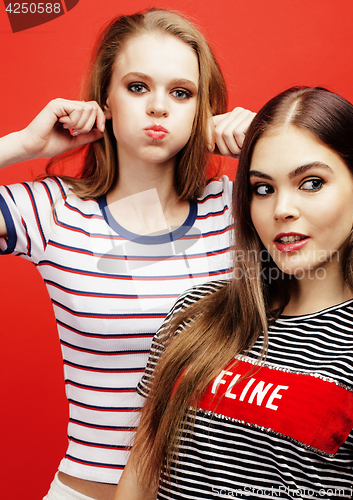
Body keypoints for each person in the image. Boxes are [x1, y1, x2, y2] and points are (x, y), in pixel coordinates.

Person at [116, 87, 353, 500]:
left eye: (311, 183)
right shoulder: (195, 314)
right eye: (263, 188)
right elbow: (138, 479)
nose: (282, 209)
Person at [0, 8, 255, 500]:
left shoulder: (237, 207)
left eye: (181, 93)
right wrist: (21, 144)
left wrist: (269, 148)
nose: (159, 107)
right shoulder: (53, 210)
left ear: (202, 109)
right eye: (138, 87)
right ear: (105, 100)